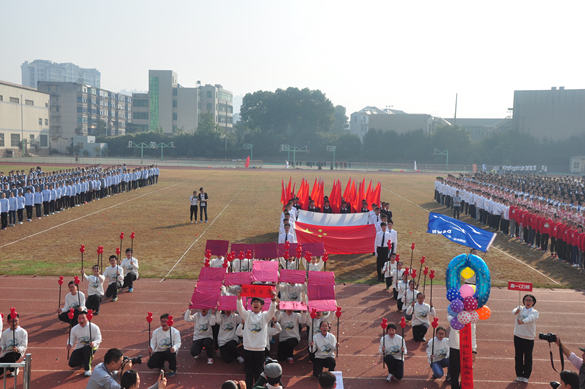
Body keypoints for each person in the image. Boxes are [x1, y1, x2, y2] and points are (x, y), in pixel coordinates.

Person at [237, 291, 277, 389]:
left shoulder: (264, 316)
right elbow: (240, 309)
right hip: (247, 349)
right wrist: (239, 298)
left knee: (258, 373)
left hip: (259, 350)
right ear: (251, 305)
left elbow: (272, 312)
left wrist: (273, 300)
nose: (255, 303)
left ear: (262, 305)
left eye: (257, 302)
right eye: (253, 301)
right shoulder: (247, 315)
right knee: (249, 373)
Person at [513, 293, 539, 383]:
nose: (528, 302)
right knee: (518, 356)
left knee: (528, 357)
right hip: (518, 336)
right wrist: (516, 312)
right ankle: (519, 375)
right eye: (526, 300)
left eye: (530, 300)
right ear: (523, 301)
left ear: (533, 302)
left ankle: (526, 376)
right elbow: (513, 311)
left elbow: (531, 318)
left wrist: (523, 322)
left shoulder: (535, 312)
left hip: (528, 338)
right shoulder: (520, 308)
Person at [68, 310, 102, 376]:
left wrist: (94, 343)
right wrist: (70, 344)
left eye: (83, 318)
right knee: (72, 363)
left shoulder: (94, 328)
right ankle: (87, 358)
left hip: (91, 347)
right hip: (80, 347)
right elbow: (71, 339)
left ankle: (88, 369)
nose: (81, 320)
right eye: (79, 318)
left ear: (88, 318)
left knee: (87, 347)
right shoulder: (74, 329)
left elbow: (99, 339)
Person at [448, 314, 477, 389]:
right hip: (454, 348)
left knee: (465, 373)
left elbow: (473, 334)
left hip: (466, 349)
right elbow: (449, 319)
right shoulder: (452, 316)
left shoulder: (471, 318)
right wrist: (459, 315)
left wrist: (473, 350)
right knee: (454, 373)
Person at [0, 313, 28, 377]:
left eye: (16, 321)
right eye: (11, 321)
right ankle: (12, 367)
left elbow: (24, 346)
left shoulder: (23, 332)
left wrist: (18, 349)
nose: (14, 323)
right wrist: (1, 348)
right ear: (8, 322)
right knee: (5, 360)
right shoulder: (5, 333)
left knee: (10, 357)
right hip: (7, 353)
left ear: (19, 320)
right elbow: (3, 344)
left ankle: (14, 369)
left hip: (17, 353)